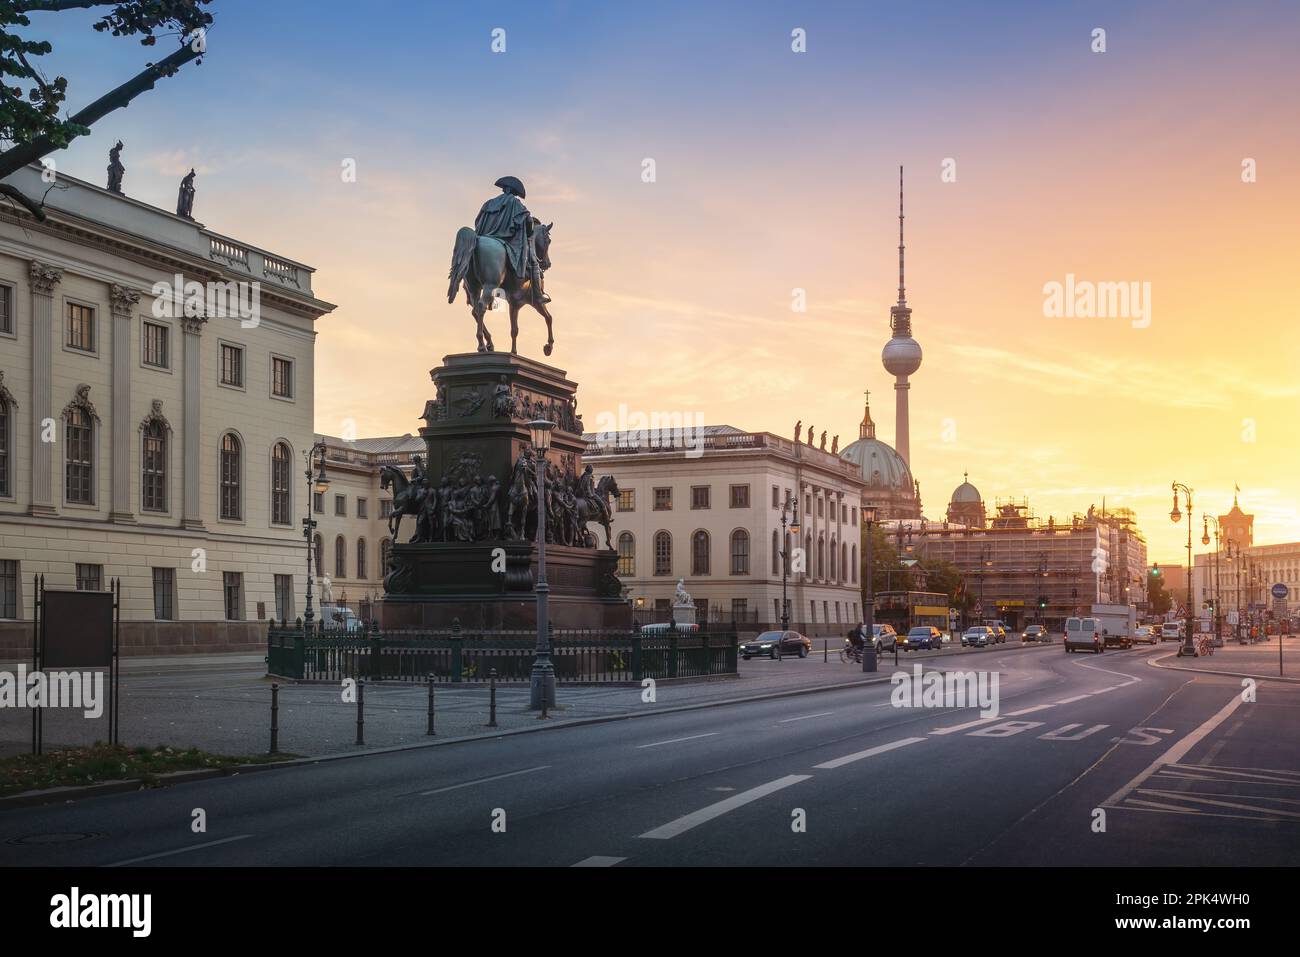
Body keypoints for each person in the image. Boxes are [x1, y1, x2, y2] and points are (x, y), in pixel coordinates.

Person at [474, 175, 551, 304]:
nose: (515, 196)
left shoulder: (488, 203)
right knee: (533, 262)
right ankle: (538, 295)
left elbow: (478, 221)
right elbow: (527, 221)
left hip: (483, 237)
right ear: (511, 191)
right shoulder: (515, 203)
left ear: (504, 189)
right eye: (515, 193)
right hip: (507, 239)